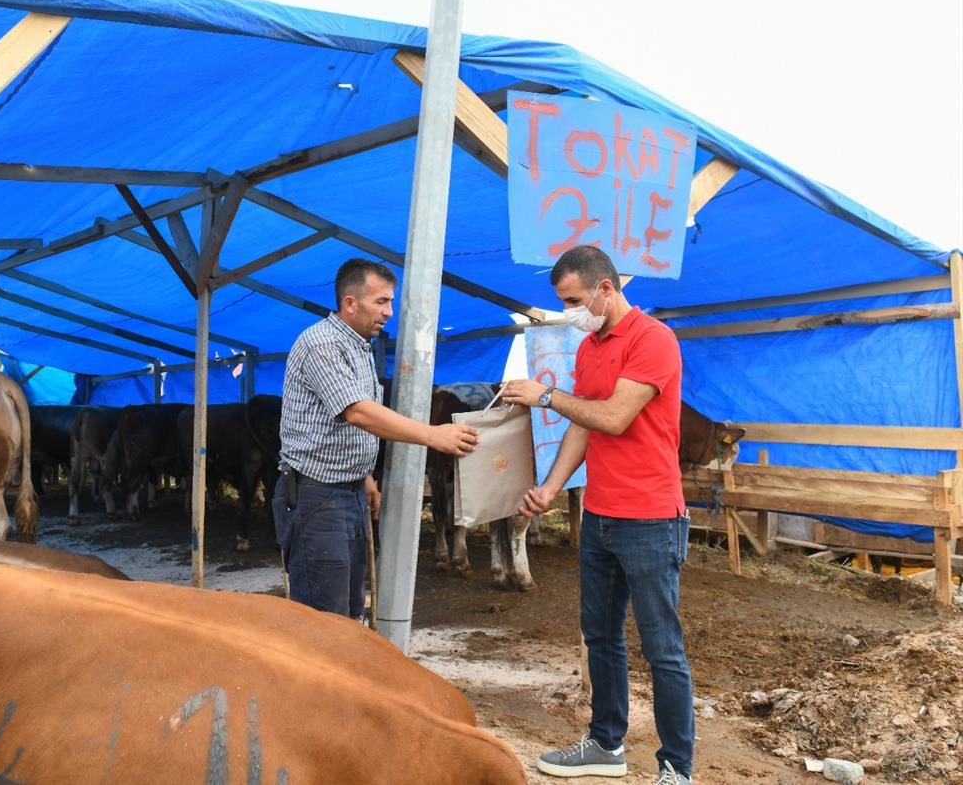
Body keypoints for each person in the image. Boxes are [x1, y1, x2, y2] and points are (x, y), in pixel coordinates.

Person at [502, 245, 694, 785]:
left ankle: (678, 767)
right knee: (600, 635)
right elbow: (582, 427)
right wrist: (549, 488)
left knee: (662, 647)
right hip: (602, 514)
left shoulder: (653, 339)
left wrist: (545, 396)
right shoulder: (588, 347)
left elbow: (612, 416)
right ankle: (607, 744)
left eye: (574, 300)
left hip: (652, 517)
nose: (570, 311)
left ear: (605, 289)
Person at [274, 258, 477, 618]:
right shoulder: (321, 343)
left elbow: (345, 421)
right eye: (381, 302)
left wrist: (364, 476)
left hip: (346, 492)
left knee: (350, 610)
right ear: (350, 303)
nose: (389, 311)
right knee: (324, 619)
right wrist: (433, 435)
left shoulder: (361, 346)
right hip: (316, 497)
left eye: (391, 302)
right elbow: (358, 412)